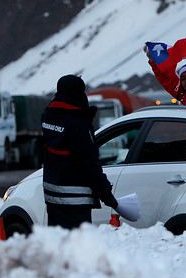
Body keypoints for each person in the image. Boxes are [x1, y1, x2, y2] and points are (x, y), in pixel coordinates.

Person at [40, 75, 126, 229]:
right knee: (77, 248)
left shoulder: (48, 116)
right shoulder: (78, 124)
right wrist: (107, 196)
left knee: (59, 247)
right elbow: (89, 164)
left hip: (52, 198)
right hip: (75, 202)